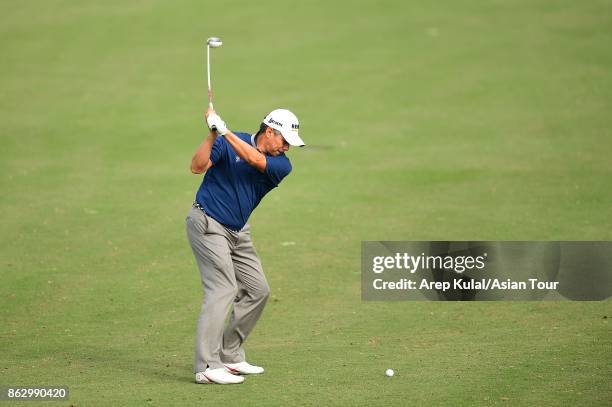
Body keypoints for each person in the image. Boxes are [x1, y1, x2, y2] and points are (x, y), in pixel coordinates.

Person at [185, 107, 304, 385]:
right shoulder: (227, 141)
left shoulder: (282, 165)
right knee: (223, 288)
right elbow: (197, 167)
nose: (287, 147)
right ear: (269, 131)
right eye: (284, 139)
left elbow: (253, 158)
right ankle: (206, 365)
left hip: (238, 231)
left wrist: (224, 132)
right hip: (208, 222)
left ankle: (230, 355)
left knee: (257, 290)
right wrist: (212, 134)